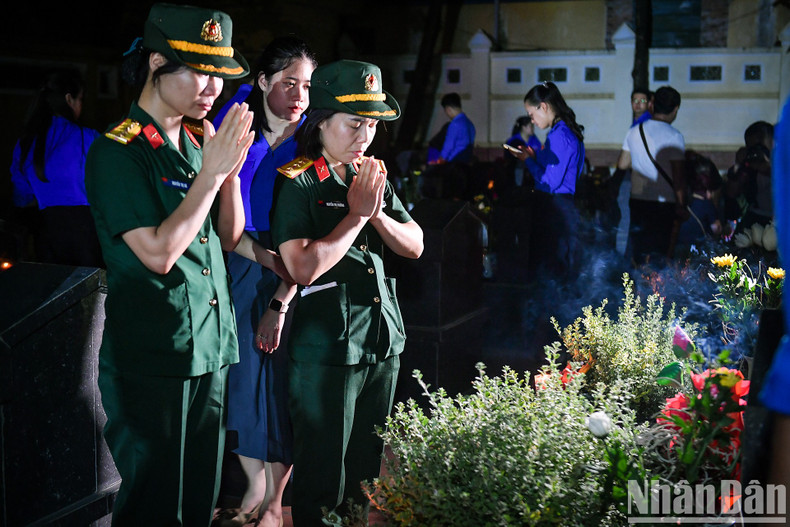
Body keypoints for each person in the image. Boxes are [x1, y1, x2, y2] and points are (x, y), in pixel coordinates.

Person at [84, 4, 253, 525]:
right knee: (155, 502)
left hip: (208, 344)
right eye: (201, 71)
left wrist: (227, 176)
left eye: (220, 76)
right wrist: (210, 176)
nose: (214, 88)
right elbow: (158, 253)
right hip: (153, 353)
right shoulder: (119, 152)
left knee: (199, 498)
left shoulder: (202, 140)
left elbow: (227, 236)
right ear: (157, 62)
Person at [269, 59, 424, 525]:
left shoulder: (371, 175)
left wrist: (374, 211)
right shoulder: (298, 181)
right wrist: (356, 216)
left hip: (380, 341)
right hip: (327, 349)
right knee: (321, 481)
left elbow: (415, 244)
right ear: (320, 122)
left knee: (365, 477)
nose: (365, 135)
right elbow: (300, 267)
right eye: (354, 123)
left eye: (372, 125)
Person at [213, 36, 316, 527]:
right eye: (289, 82)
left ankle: (274, 501)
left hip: (292, 271)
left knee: (282, 381)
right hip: (239, 262)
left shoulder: (315, 140)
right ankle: (256, 486)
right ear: (262, 82)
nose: (299, 94)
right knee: (242, 376)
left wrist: (283, 289)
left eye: (307, 85)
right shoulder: (240, 126)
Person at [10, 69, 103, 267]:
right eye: (81, 99)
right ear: (69, 99)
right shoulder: (87, 137)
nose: (81, 106)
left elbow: (22, 196)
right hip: (88, 234)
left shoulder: (25, 143)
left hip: (46, 234)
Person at [508, 81, 585, 281]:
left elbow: (550, 182)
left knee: (548, 275)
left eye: (532, 115)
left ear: (543, 106)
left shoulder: (559, 135)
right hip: (562, 208)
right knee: (556, 272)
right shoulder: (564, 131)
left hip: (555, 210)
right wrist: (535, 157)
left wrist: (528, 162)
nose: (532, 121)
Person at [616, 85, 687, 267]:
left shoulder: (634, 132)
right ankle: (654, 293)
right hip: (664, 203)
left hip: (638, 200)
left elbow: (622, 164)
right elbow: (678, 177)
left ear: (652, 104)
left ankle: (633, 290)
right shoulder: (675, 136)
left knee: (638, 250)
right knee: (659, 254)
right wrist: (681, 204)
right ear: (675, 109)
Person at [674, 151, 723, 258]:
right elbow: (716, 229)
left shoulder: (682, 202)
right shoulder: (706, 205)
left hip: (678, 246)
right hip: (695, 249)